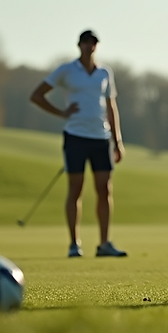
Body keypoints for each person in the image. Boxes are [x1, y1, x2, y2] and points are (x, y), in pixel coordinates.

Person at [30, 30, 127, 258]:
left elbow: (111, 107)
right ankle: (74, 243)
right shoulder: (67, 70)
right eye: (85, 42)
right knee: (76, 189)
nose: (89, 46)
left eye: (93, 43)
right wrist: (61, 112)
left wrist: (117, 141)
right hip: (75, 136)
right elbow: (37, 95)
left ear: (96, 46)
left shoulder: (105, 72)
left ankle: (104, 244)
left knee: (105, 190)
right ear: (79, 45)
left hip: (101, 138)